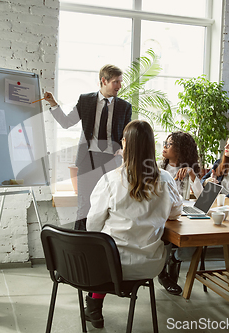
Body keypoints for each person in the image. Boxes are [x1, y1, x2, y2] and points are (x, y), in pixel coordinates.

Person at [86, 120, 182, 328]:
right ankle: (93, 304)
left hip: (112, 265)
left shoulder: (110, 180)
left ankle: (94, 306)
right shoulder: (165, 178)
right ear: (151, 146)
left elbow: (92, 226)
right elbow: (176, 213)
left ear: (126, 144)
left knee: (100, 251)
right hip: (149, 265)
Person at [43, 64, 132, 230]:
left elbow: (127, 135)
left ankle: (104, 248)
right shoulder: (86, 100)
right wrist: (53, 103)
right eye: (115, 82)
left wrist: (123, 149)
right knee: (84, 207)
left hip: (112, 163)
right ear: (103, 81)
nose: (119, 86)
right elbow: (67, 122)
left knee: (110, 206)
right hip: (87, 160)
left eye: (120, 82)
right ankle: (79, 248)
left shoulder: (124, 107)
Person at [157, 131, 202, 295]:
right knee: (165, 240)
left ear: (181, 149)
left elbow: (200, 196)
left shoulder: (188, 169)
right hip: (163, 215)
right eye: (165, 143)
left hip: (181, 216)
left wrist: (192, 174)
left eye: (170, 144)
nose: (165, 147)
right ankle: (163, 274)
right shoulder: (159, 167)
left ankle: (174, 260)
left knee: (194, 242)